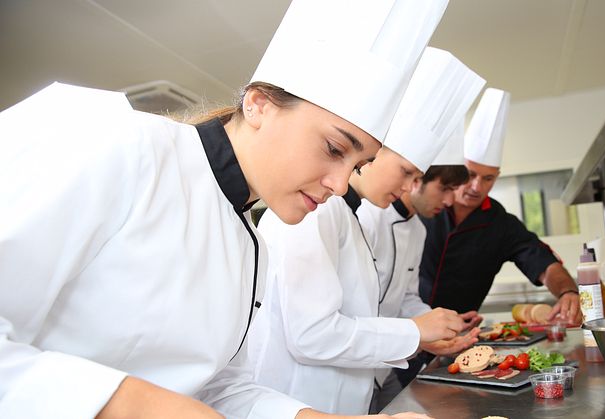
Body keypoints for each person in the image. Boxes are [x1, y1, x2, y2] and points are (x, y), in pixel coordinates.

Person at [0, 1, 449, 418]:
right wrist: (140, 403)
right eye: (334, 148)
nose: (338, 184)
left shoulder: (249, 245)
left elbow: (222, 390)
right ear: (257, 105)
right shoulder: (112, 140)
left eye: (359, 165)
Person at [248, 47, 482, 415]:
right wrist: (415, 332)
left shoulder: (347, 215)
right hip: (301, 400)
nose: (408, 188)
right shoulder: (315, 211)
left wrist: (427, 328)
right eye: (406, 173)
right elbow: (312, 335)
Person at [419, 88, 581, 322]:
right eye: (470, 174)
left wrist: (568, 292)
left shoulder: (501, 224)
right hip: (407, 328)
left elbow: (545, 264)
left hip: (459, 334)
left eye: (488, 178)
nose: (476, 186)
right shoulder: (427, 206)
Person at [357, 120, 487, 414]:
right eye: (445, 188)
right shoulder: (366, 216)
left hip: (381, 369)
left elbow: (405, 298)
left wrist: (441, 322)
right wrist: (418, 334)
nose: (451, 199)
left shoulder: (418, 231)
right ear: (416, 180)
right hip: (357, 362)